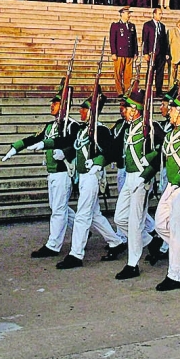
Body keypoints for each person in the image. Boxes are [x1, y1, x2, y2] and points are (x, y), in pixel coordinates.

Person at [2, 91, 81, 259]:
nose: (52, 105)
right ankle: (80, 229)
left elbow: (76, 144)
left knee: (58, 210)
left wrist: (65, 152)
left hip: (63, 171)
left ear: (65, 106)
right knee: (58, 207)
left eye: (56, 103)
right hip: (52, 172)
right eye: (52, 102)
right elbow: (35, 138)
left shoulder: (72, 125)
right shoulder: (50, 126)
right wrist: (16, 147)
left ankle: (53, 245)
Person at [56, 95, 126, 269]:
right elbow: (72, 145)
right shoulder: (82, 129)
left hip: (92, 176)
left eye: (85, 108)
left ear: (93, 112)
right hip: (82, 177)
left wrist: (98, 161)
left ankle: (76, 254)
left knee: (82, 215)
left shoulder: (100, 130)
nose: (81, 111)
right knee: (94, 215)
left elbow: (111, 150)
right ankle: (116, 242)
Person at [111, 89, 164, 280]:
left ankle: (132, 264)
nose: (125, 110)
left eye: (129, 106)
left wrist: (147, 160)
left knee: (134, 221)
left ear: (136, 109)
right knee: (119, 218)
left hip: (142, 178)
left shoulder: (150, 126)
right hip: (129, 177)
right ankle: (149, 242)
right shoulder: (129, 126)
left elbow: (163, 146)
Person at [152, 87, 180, 291]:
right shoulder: (172, 134)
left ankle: (175, 275)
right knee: (161, 224)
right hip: (171, 186)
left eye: (172, 109)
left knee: (177, 230)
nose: (168, 112)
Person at [109, 7, 137, 96]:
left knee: (128, 74)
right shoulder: (116, 26)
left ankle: (127, 90)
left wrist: (135, 52)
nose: (129, 15)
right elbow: (112, 40)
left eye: (129, 13)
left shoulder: (132, 26)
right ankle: (119, 90)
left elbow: (134, 40)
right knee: (118, 73)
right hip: (119, 53)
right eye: (127, 13)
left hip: (129, 53)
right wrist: (113, 52)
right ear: (122, 14)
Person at [142, 8, 169, 96]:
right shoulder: (147, 25)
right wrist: (145, 52)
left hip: (161, 53)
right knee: (150, 71)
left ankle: (159, 90)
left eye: (161, 14)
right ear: (154, 14)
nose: (161, 16)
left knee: (160, 72)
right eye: (159, 14)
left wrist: (166, 53)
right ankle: (148, 89)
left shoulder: (162, 26)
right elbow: (145, 39)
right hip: (152, 52)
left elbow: (165, 41)